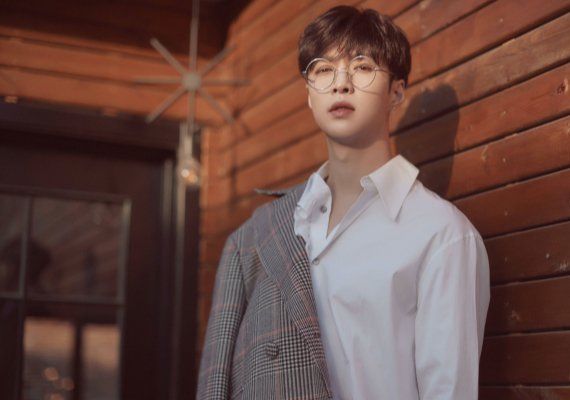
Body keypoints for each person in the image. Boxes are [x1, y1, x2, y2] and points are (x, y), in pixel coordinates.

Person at [197, 5, 490, 400]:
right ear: (309, 95)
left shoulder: (441, 234)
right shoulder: (260, 234)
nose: (341, 83)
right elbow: (217, 380)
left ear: (396, 91)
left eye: (362, 66)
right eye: (323, 70)